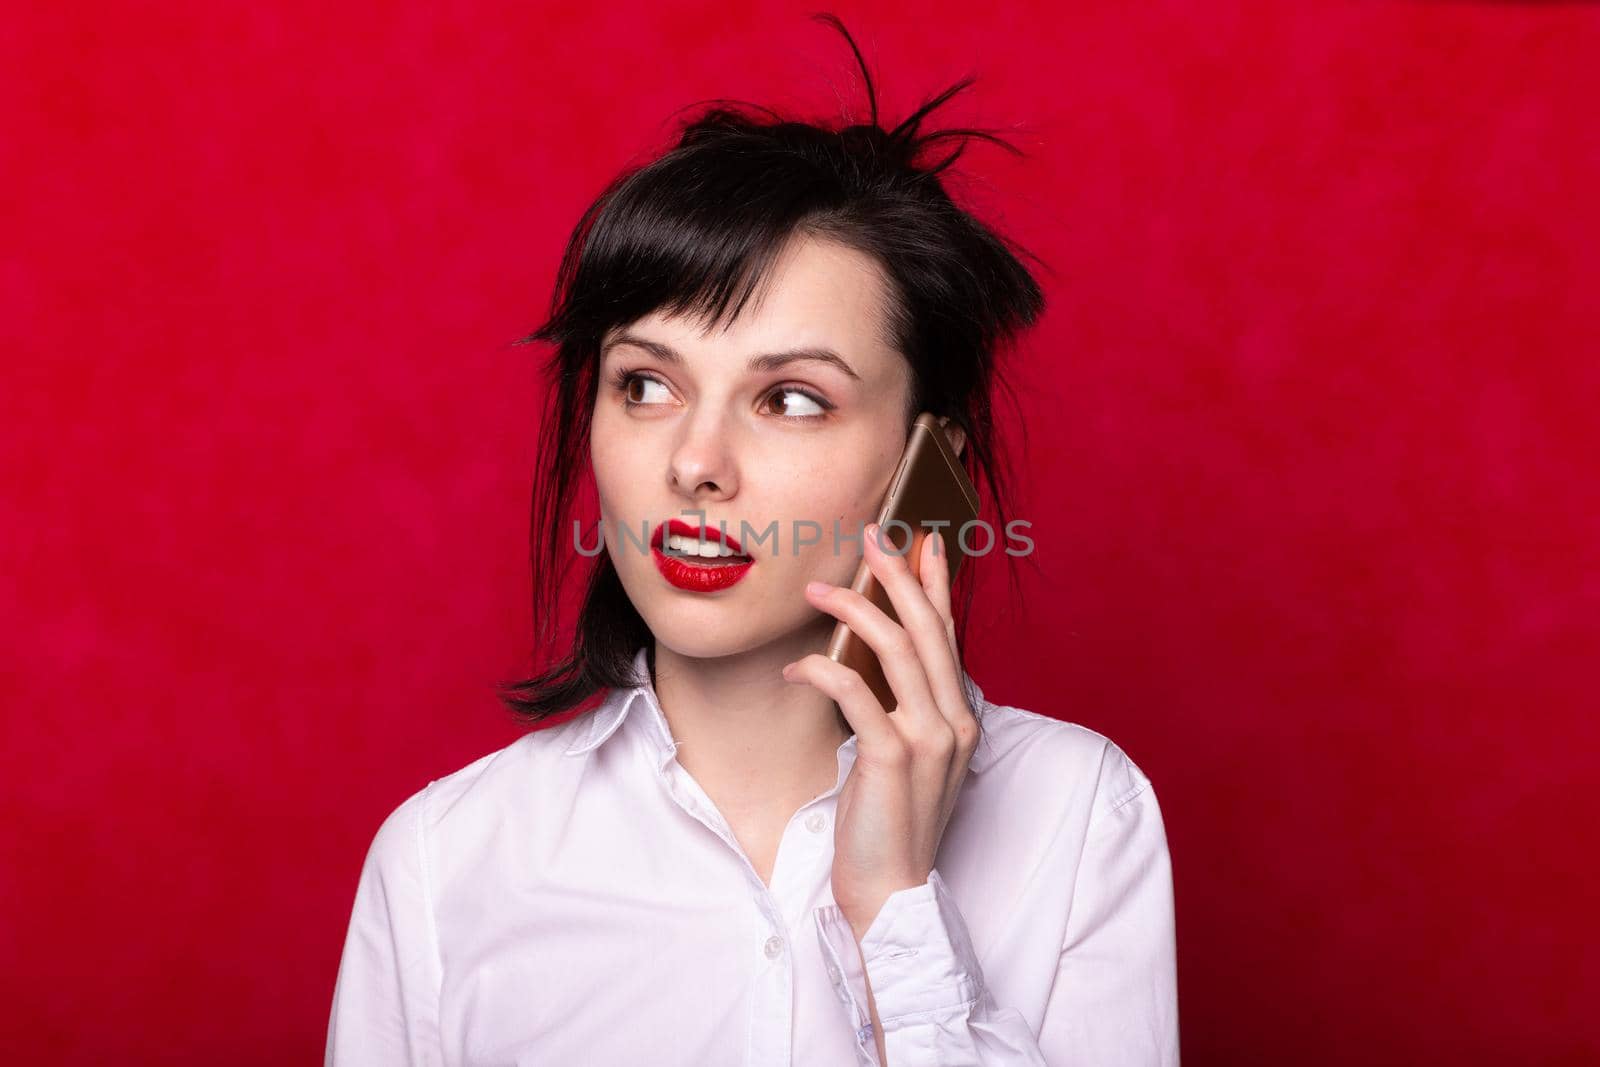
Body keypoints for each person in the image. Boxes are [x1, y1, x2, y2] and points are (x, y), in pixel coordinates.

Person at [325, 14, 1177, 1066]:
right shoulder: (447, 862)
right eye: (646, 383)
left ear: (931, 462)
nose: (696, 462)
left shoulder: (1078, 813)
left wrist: (897, 910)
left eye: (790, 398)